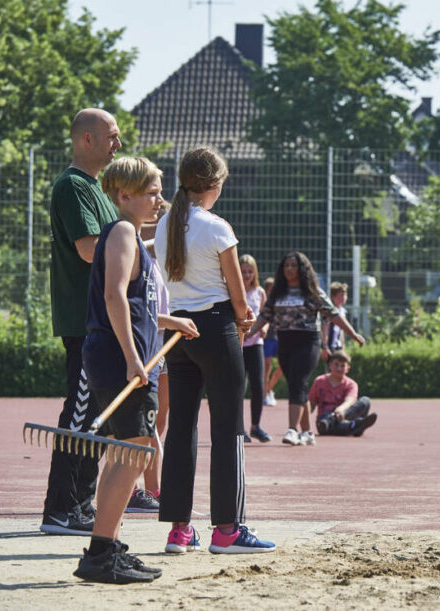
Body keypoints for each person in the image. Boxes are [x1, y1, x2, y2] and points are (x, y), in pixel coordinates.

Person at [74, 156, 199, 583]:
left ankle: (106, 546)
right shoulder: (124, 232)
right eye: (151, 193)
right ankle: (100, 553)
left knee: (125, 451)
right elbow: (114, 297)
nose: (160, 200)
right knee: (134, 450)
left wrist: (170, 322)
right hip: (116, 356)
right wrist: (131, 356)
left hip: (116, 352)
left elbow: (138, 306)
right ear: (124, 195)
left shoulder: (128, 236)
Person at [154, 147, 275, 555]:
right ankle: (227, 529)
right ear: (215, 184)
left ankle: (179, 530)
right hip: (215, 327)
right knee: (228, 430)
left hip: (178, 332)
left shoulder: (165, 223)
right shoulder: (217, 226)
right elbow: (239, 297)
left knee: (181, 429)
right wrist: (245, 319)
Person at [42, 108, 122, 536]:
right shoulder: (73, 186)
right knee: (80, 413)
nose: (118, 144)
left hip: (101, 321)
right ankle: (61, 509)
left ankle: (79, 505)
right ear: (85, 140)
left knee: (96, 414)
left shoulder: (95, 188)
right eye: (111, 135)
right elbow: (91, 248)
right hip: (85, 321)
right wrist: (136, 249)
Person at [249, 251, 366, 447]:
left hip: (308, 341)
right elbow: (265, 315)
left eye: (293, 266)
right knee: (297, 385)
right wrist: (249, 332)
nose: (289, 269)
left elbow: (334, 314)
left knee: (299, 381)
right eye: (286, 266)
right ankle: (307, 432)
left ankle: (292, 430)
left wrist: (353, 334)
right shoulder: (278, 292)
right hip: (285, 341)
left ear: (302, 269)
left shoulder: (313, 292)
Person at [125, 202, 172, 514]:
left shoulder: (159, 260)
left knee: (160, 417)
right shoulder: (132, 250)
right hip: (146, 345)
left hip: (162, 342)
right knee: (144, 422)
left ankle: (152, 488)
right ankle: (141, 489)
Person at [240, 254, 271, 442]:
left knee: (258, 386)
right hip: (238, 344)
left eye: (250, 272)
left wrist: (265, 328)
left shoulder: (259, 292)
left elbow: (265, 316)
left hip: (256, 344)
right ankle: (239, 428)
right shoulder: (232, 290)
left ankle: (255, 426)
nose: (246, 275)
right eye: (243, 271)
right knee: (239, 387)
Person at [310, 350, 377, 436]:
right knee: (333, 425)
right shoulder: (319, 381)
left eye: (342, 366)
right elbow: (311, 404)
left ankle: (353, 425)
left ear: (348, 368)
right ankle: (356, 426)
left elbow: (350, 400)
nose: (339, 368)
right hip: (323, 421)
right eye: (336, 364)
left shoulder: (351, 384)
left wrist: (341, 410)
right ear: (330, 365)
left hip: (343, 416)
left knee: (365, 401)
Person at [261, 277, 283, 407]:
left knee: (282, 366)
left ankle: (268, 389)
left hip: (278, 337)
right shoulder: (264, 303)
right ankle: (264, 395)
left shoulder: (281, 302)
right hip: (267, 338)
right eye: (269, 289)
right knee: (267, 365)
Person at [320, 282, 349, 363]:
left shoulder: (343, 311)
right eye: (341, 295)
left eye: (345, 295)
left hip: (338, 346)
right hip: (330, 346)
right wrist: (325, 347)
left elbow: (342, 330)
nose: (344, 298)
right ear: (333, 297)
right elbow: (325, 329)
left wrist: (343, 348)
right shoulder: (329, 311)